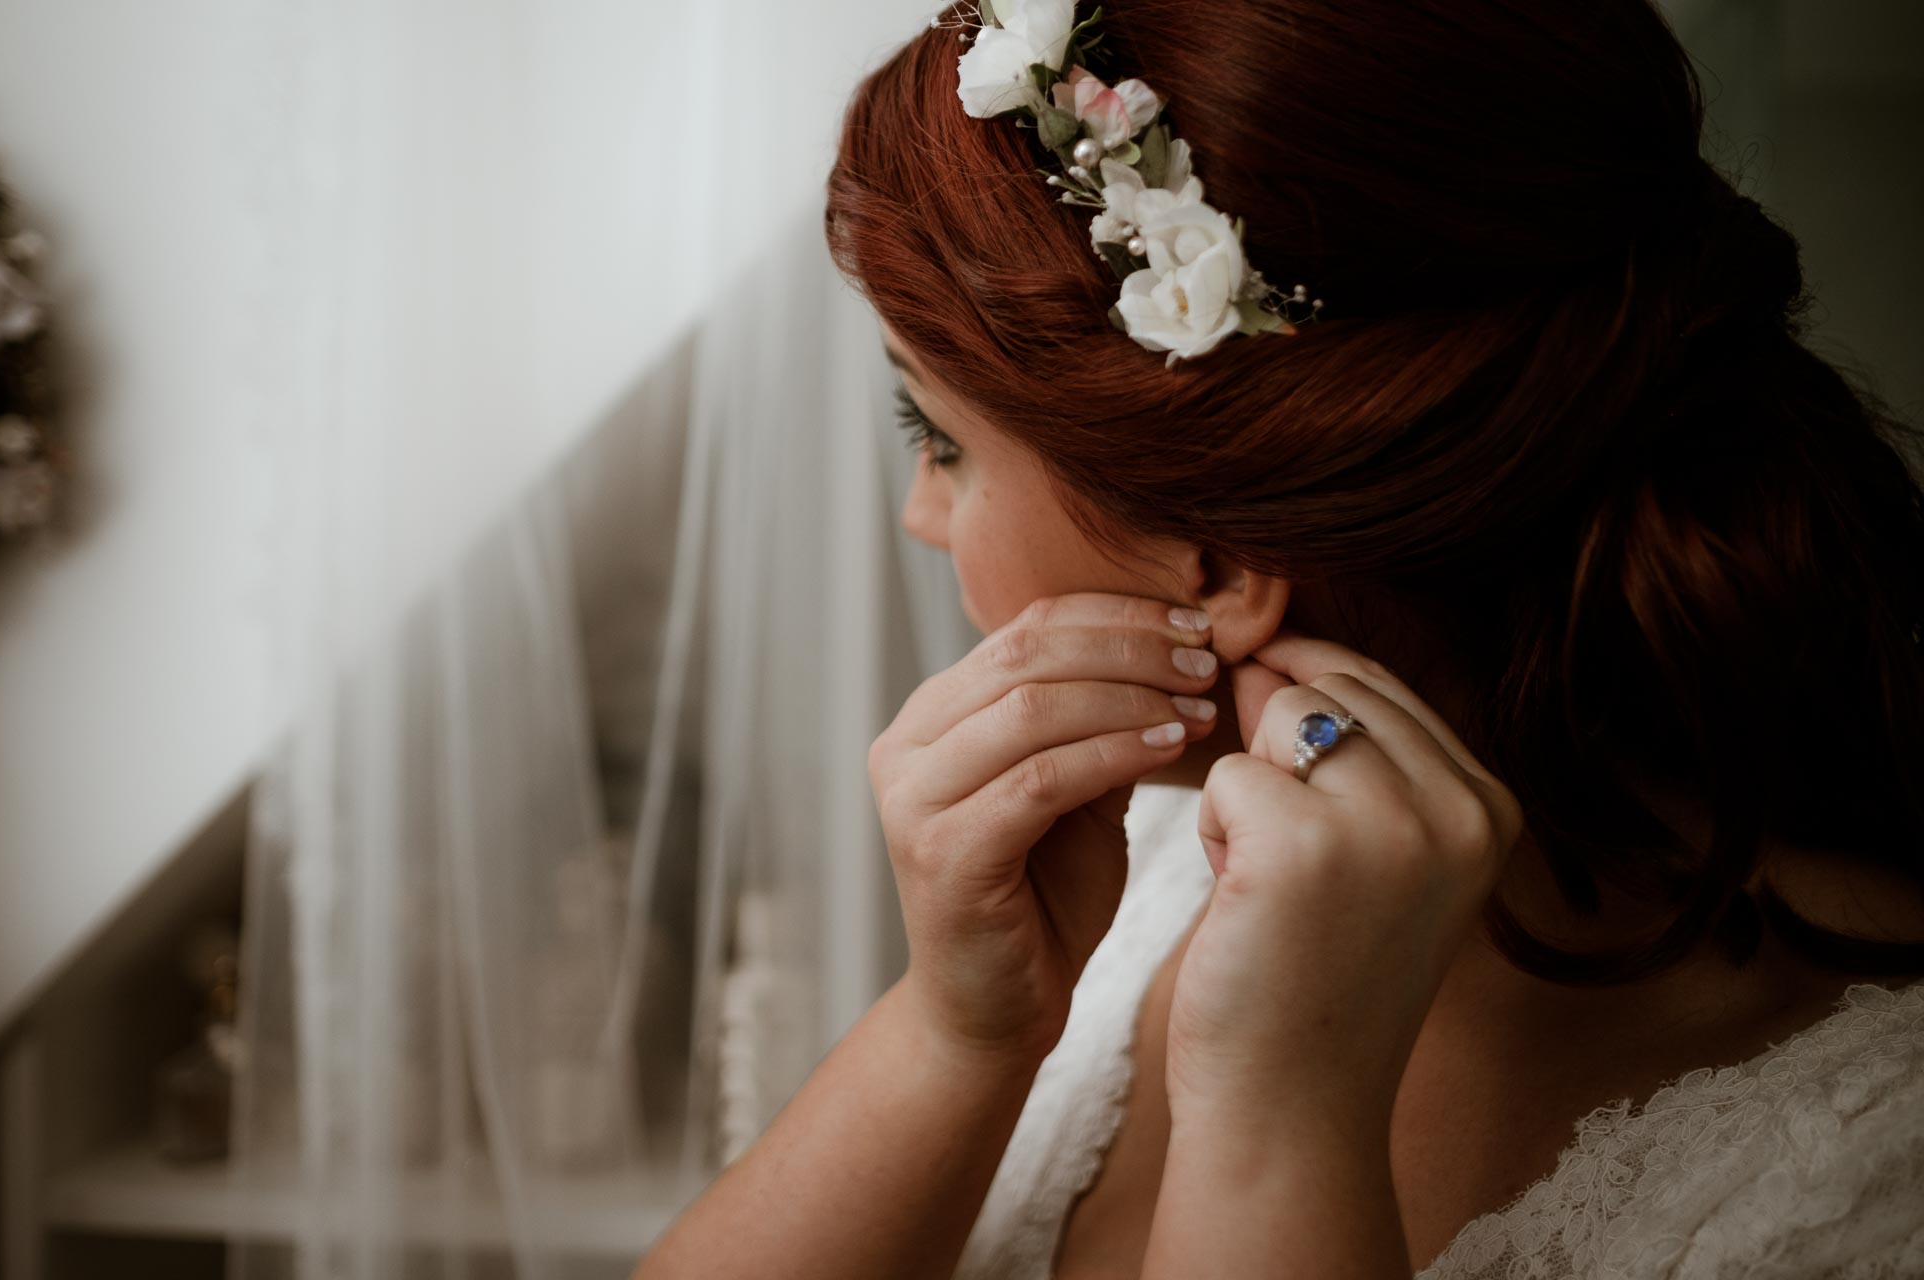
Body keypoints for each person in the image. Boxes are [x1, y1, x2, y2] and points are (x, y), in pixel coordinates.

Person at [635, 0, 1924, 1275]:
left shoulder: (1868, 1167)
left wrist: (1279, 1126)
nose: (922, 514)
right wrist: (957, 1033)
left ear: (1222, 561)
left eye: (943, 443)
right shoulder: (1162, 845)